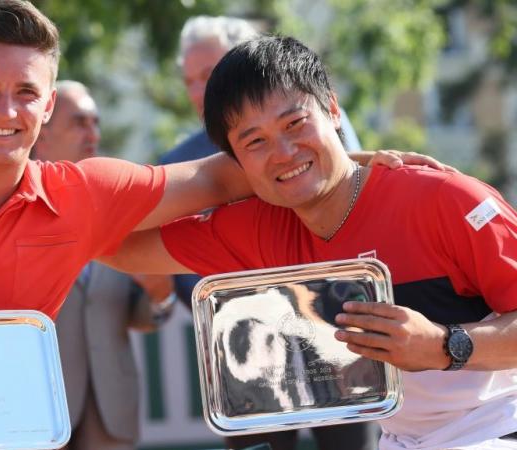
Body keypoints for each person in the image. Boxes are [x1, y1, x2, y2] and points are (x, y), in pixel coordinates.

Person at [0, 2, 437, 449]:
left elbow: (225, 174)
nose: (6, 109)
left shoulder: (86, 192)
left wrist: (352, 159)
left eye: (26, 93)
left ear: (48, 108)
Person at [102, 35, 517, 450]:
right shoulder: (258, 225)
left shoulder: (444, 198)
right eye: (254, 142)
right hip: (399, 439)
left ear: (333, 109)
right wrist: (223, 182)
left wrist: (446, 345)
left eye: (295, 124)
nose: (283, 151)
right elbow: (114, 244)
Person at [161, 16, 377, 450]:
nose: (201, 91)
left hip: (329, 331)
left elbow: (347, 194)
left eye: (210, 73)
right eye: (190, 80)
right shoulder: (176, 164)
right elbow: (175, 262)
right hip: (244, 347)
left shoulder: (314, 122)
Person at [34, 80, 176, 450]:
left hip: (111, 412)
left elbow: (137, 312)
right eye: (80, 122)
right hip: (37, 412)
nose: (93, 133)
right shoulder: (14, 208)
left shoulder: (121, 205)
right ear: (42, 134)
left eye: (96, 122)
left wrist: (160, 296)